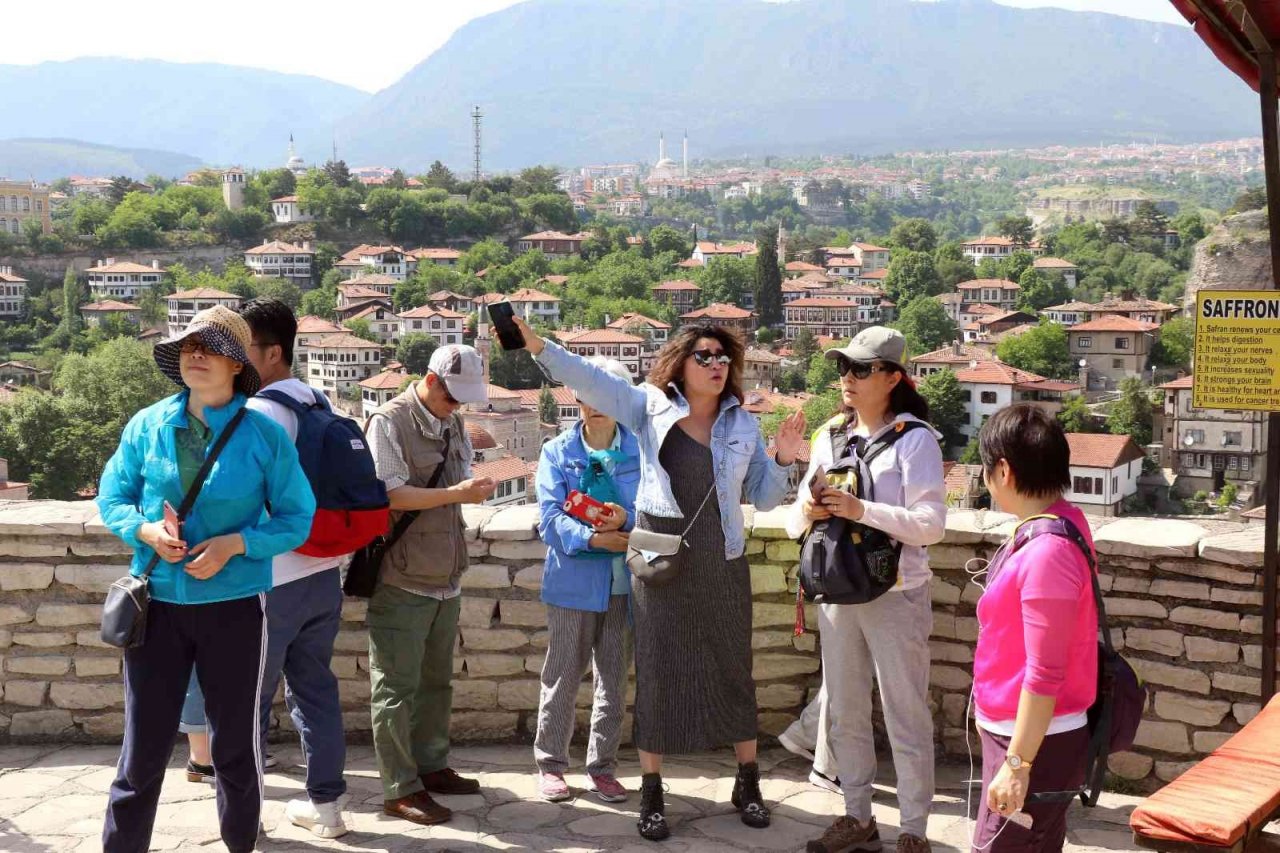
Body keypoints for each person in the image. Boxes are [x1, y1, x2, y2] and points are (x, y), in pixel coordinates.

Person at [515, 315, 806, 842]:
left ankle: (747, 781)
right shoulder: (649, 406)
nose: (717, 365)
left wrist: (783, 456)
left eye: (724, 358)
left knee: (733, 668)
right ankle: (652, 790)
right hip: (660, 552)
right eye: (706, 357)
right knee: (655, 668)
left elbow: (763, 496)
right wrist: (538, 344)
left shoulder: (742, 423)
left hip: (721, 556)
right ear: (682, 364)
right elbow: (589, 379)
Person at [97, 305, 316, 853]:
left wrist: (236, 544)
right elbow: (113, 498)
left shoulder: (264, 434)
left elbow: (297, 518)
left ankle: (240, 844)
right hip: (159, 607)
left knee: (236, 747)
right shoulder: (146, 424)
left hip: (235, 607)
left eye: (211, 347)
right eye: (189, 346)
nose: (196, 355)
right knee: (143, 749)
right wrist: (145, 531)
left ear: (238, 364)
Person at [786, 327, 947, 853]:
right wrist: (807, 510)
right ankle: (857, 816)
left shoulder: (914, 439)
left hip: (896, 594)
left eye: (860, 370)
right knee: (846, 710)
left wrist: (862, 510)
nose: (846, 380)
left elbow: (931, 525)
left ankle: (914, 830)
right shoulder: (829, 435)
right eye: (843, 369)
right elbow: (793, 524)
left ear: (892, 377)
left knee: (905, 712)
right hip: (837, 593)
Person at [364, 343, 497, 826]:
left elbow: (457, 477)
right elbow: (389, 493)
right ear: (431, 380)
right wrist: (454, 493)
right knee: (396, 688)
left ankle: (432, 766)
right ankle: (399, 788)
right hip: (402, 575)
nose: (458, 406)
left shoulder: (451, 421)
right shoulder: (388, 422)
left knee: (436, 682)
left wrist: (465, 489)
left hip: (445, 572)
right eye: (453, 397)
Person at [238, 297, 349, 838]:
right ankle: (327, 810)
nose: (232, 359)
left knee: (246, 702)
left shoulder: (259, 414)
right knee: (315, 691)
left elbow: (239, 500)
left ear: (272, 352)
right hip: (321, 572)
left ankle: (244, 816)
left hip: (271, 580)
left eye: (242, 349)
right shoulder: (312, 398)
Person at [970, 404, 1098, 852]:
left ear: (1002, 470)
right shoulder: (1059, 523)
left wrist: (1018, 764)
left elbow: (1045, 672)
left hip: (1036, 740)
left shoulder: (1048, 553)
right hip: (1029, 733)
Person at [533, 357, 640, 804]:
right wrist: (597, 540)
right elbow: (549, 519)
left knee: (613, 682)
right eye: (587, 395)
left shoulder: (641, 452)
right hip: (573, 584)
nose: (593, 405)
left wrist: (627, 521)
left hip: (626, 588)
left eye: (604, 396)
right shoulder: (558, 452)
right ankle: (551, 765)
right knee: (561, 676)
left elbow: (659, 509)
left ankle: (603, 768)